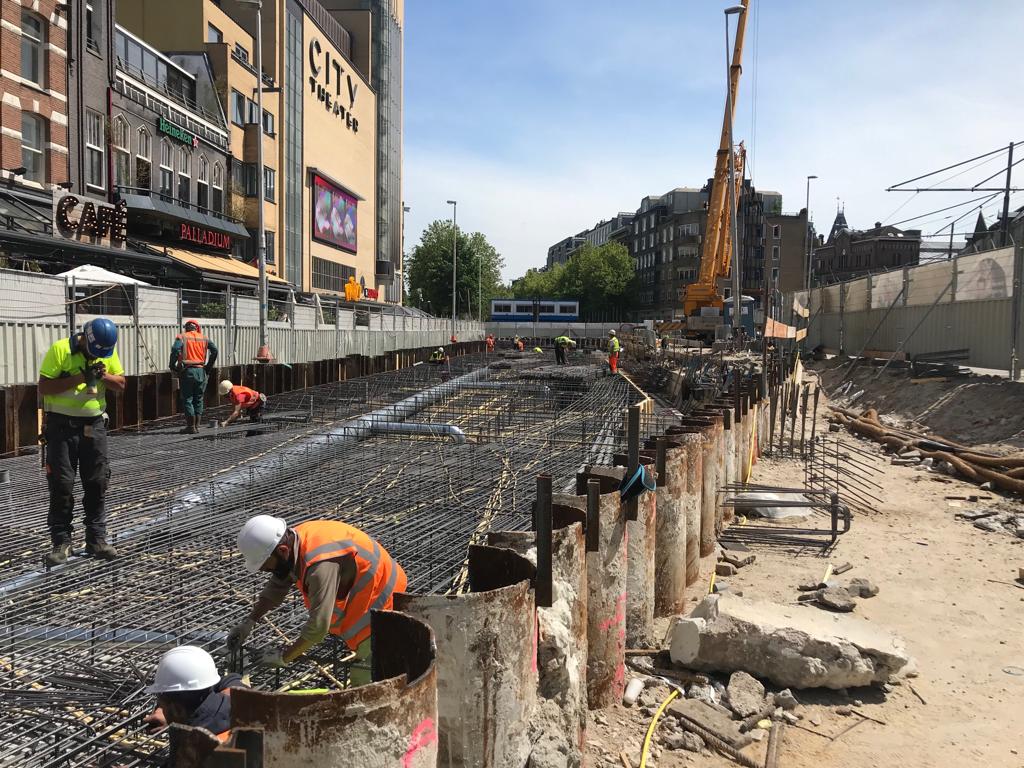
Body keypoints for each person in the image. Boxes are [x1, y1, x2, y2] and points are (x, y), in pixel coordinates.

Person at [226, 515, 408, 687]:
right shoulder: (294, 540)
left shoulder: (320, 566)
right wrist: (249, 622)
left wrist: (284, 657)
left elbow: (318, 627)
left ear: (282, 551)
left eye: (266, 566)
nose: (266, 571)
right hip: (372, 590)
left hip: (384, 604)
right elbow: (278, 584)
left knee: (365, 678)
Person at [38, 318, 125, 566]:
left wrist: (103, 375)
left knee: (97, 482)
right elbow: (44, 387)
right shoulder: (61, 350)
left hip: (93, 426)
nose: (98, 355)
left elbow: (121, 384)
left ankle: (96, 540)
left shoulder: (107, 351)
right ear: (85, 338)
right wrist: (79, 378)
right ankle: (62, 542)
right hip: (62, 428)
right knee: (62, 484)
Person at [143, 646, 246, 740]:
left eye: (159, 697)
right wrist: (171, 712)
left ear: (177, 709)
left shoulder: (191, 743)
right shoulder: (239, 705)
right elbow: (230, 679)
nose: (160, 705)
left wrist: (173, 718)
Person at [169, 320, 218, 434]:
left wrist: (172, 365)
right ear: (197, 328)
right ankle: (196, 426)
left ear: (186, 328)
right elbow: (215, 351)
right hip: (201, 371)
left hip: (188, 371)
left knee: (188, 399)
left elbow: (175, 349)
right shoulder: (204, 338)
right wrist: (208, 367)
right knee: (198, 399)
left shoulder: (182, 337)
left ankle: (190, 427)